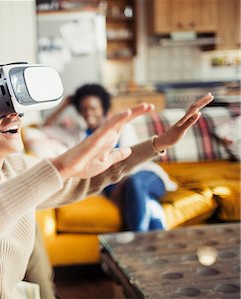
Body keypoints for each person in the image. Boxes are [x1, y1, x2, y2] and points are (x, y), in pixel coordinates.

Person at [0, 64, 213, 298]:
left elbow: (84, 179)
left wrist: (158, 144)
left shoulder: (16, 168)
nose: (13, 117)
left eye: (14, 107)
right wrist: (58, 167)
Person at [44, 84, 179, 231]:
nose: (88, 113)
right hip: (114, 186)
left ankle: (138, 240)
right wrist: (64, 105)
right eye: (83, 109)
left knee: (134, 183)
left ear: (103, 108)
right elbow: (44, 128)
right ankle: (152, 241)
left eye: (93, 108)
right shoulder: (76, 135)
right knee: (148, 204)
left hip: (144, 176)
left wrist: (122, 181)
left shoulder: (122, 127)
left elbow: (137, 159)